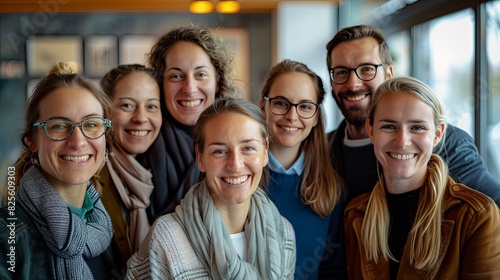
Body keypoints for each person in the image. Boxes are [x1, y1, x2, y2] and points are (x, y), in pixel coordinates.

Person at [344, 76, 500, 279]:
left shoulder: (477, 216)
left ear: (437, 134)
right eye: (389, 126)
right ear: (371, 130)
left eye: (417, 127)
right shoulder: (355, 215)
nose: (401, 142)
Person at [326, 24, 500, 205]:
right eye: (341, 72)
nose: (353, 84)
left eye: (367, 69)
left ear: (388, 74)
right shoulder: (322, 151)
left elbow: (494, 206)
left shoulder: (445, 144)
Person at [127, 97, 296, 279]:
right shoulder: (166, 237)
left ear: (264, 152)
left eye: (248, 148)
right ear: (200, 158)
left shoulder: (284, 233)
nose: (236, 165)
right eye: (220, 151)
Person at [0, 62, 116, 279]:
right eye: (59, 126)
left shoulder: (102, 228)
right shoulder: (6, 237)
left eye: (91, 124)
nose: (78, 142)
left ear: (104, 136)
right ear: (32, 141)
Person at [137, 25, 240, 222]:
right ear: (161, 84)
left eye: (201, 74)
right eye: (176, 76)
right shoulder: (140, 141)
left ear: (217, 82)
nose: (189, 88)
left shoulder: (241, 144)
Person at [260, 59, 346, 279]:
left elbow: (333, 271)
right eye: (281, 103)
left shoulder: (332, 191)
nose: (292, 116)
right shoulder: (238, 179)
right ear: (264, 106)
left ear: (316, 116)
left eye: (305, 106)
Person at [98, 64, 162, 264]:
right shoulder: (89, 176)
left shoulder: (155, 171)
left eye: (151, 106)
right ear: (105, 111)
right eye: (127, 105)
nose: (141, 118)